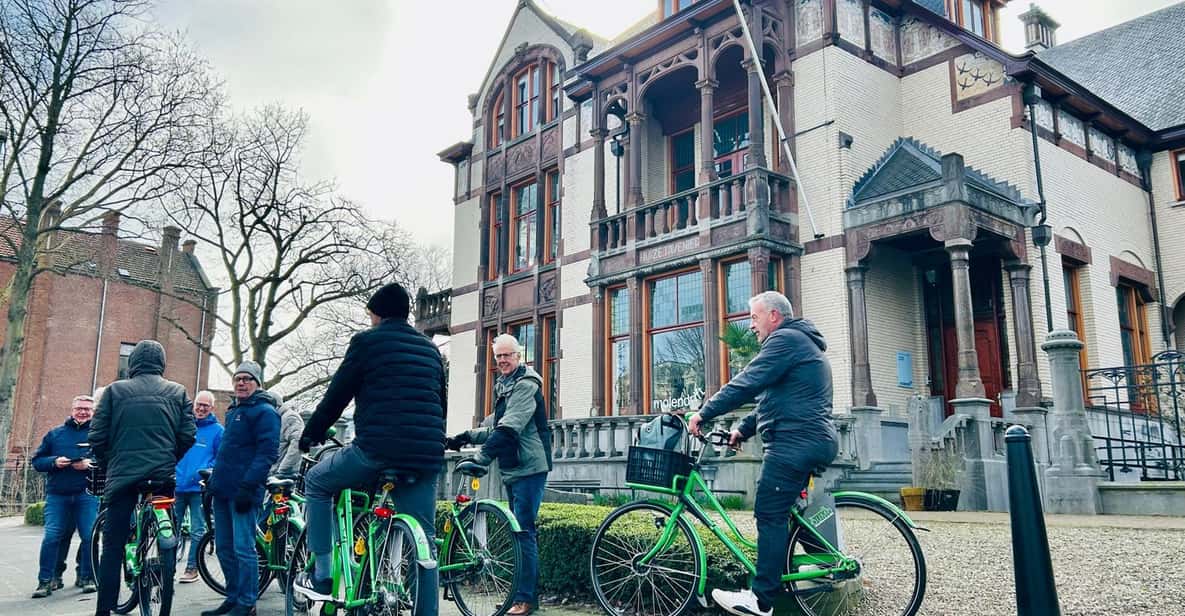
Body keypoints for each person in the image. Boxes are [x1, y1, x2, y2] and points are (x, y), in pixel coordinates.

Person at [294, 281, 446, 615]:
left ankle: (322, 574)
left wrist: (311, 433)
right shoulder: (431, 350)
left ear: (376, 314)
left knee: (317, 482)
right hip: (424, 456)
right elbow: (440, 404)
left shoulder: (366, 342)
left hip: (376, 450)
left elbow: (338, 394)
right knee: (425, 543)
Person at [687, 291, 838, 616]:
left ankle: (761, 600)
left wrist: (704, 412)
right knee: (787, 512)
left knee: (768, 513)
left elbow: (747, 382)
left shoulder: (785, 340)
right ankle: (825, 565)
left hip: (793, 443)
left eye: (754, 317)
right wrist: (742, 429)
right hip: (809, 440)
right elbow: (771, 400)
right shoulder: (799, 342)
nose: (750, 325)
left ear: (774, 315)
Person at [448, 333, 552, 616]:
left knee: (524, 532)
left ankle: (525, 600)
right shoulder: (505, 384)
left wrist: (481, 459)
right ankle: (520, 597)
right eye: (498, 357)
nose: (503, 360)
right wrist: (463, 437)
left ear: (519, 356)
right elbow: (496, 427)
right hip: (513, 466)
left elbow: (510, 428)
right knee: (520, 532)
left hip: (529, 466)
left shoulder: (526, 385)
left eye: (508, 355)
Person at [89, 340, 195, 616]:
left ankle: (104, 610)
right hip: (161, 475)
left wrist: (108, 463)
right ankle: (162, 570)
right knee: (164, 522)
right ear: (162, 362)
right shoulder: (178, 392)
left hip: (122, 476)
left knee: (112, 546)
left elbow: (97, 437)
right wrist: (169, 458)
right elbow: (188, 436)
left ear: (133, 362)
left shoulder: (115, 391)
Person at [202, 362, 280, 616]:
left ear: (257, 383)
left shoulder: (265, 412)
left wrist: (249, 485)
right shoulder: (234, 410)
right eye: (237, 379)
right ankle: (233, 597)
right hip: (222, 491)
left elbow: (267, 453)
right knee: (224, 547)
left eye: (247, 379)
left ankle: (248, 602)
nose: (241, 383)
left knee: (244, 548)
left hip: (244, 492)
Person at [30, 395, 100, 597]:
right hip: (57, 495)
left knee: (89, 536)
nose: (83, 412)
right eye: (79, 408)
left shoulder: (99, 435)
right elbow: (37, 461)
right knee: (52, 537)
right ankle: (47, 580)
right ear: (72, 410)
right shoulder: (55, 434)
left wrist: (90, 464)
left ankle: (87, 577)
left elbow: (108, 461)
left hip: (86, 494)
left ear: (93, 412)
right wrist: (54, 461)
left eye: (87, 409)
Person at [174, 390, 223, 583]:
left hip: (199, 489)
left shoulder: (218, 431)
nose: (201, 408)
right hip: (177, 486)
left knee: (197, 530)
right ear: (193, 405)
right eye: (198, 404)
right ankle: (166, 568)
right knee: (170, 529)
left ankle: (192, 568)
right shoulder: (183, 426)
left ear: (212, 408)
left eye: (205, 405)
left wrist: (206, 471)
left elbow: (220, 459)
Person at [268, 397, 304, 479]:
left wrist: (283, 469)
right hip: (273, 471)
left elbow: (297, 444)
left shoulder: (289, 417)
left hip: (281, 474)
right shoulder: (276, 417)